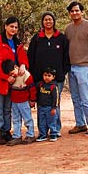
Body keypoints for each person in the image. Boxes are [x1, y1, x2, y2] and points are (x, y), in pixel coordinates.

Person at [0, 16, 30, 145]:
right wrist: (6, 77)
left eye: (16, 27)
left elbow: (22, 57)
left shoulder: (17, 42)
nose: (13, 29)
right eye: (11, 26)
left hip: (13, 81)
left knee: (7, 108)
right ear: (5, 26)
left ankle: (6, 131)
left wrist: (23, 65)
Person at [27, 11, 69, 139]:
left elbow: (66, 57)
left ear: (54, 21)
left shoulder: (61, 38)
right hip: (40, 79)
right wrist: (34, 75)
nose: (48, 21)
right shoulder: (37, 38)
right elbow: (30, 57)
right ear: (42, 22)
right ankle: (43, 131)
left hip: (57, 79)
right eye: (45, 19)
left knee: (55, 103)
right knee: (42, 104)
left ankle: (55, 129)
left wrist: (62, 72)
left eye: (50, 19)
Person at [64, 1, 88, 135]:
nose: (74, 13)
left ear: (82, 11)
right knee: (75, 98)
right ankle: (80, 124)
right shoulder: (68, 29)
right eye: (72, 11)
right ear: (69, 13)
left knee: (85, 97)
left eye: (77, 10)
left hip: (85, 67)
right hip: (72, 67)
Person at [1, 60, 36, 145]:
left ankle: (30, 135)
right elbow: (9, 88)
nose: (12, 75)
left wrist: (32, 100)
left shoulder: (26, 75)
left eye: (13, 73)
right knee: (16, 119)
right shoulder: (11, 78)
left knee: (27, 118)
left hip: (24, 101)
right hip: (14, 101)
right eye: (10, 74)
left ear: (16, 67)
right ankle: (17, 136)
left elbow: (32, 88)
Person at [35, 67, 61, 141]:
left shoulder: (54, 86)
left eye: (49, 76)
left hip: (50, 108)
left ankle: (53, 134)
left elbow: (56, 99)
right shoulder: (40, 85)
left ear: (53, 77)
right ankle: (43, 135)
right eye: (45, 75)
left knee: (52, 121)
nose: (46, 77)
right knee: (42, 122)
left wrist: (54, 108)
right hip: (41, 107)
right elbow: (37, 94)